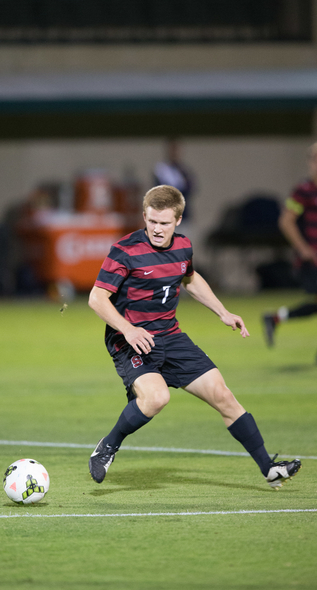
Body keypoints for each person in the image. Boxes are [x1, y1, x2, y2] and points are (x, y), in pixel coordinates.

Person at [88, 185, 301, 489]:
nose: (157, 229)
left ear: (178, 219)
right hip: (129, 339)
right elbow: (97, 298)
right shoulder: (125, 250)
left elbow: (190, 278)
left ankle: (268, 468)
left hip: (171, 336)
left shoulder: (184, 246)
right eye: (151, 222)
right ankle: (108, 446)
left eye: (164, 223)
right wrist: (128, 329)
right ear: (144, 216)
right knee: (156, 397)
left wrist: (223, 312)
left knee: (223, 395)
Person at [263, 142, 317, 347]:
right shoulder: (303, 191)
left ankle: (276, 318)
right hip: (311, 260)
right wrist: (303, 248)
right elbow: (286, 221)